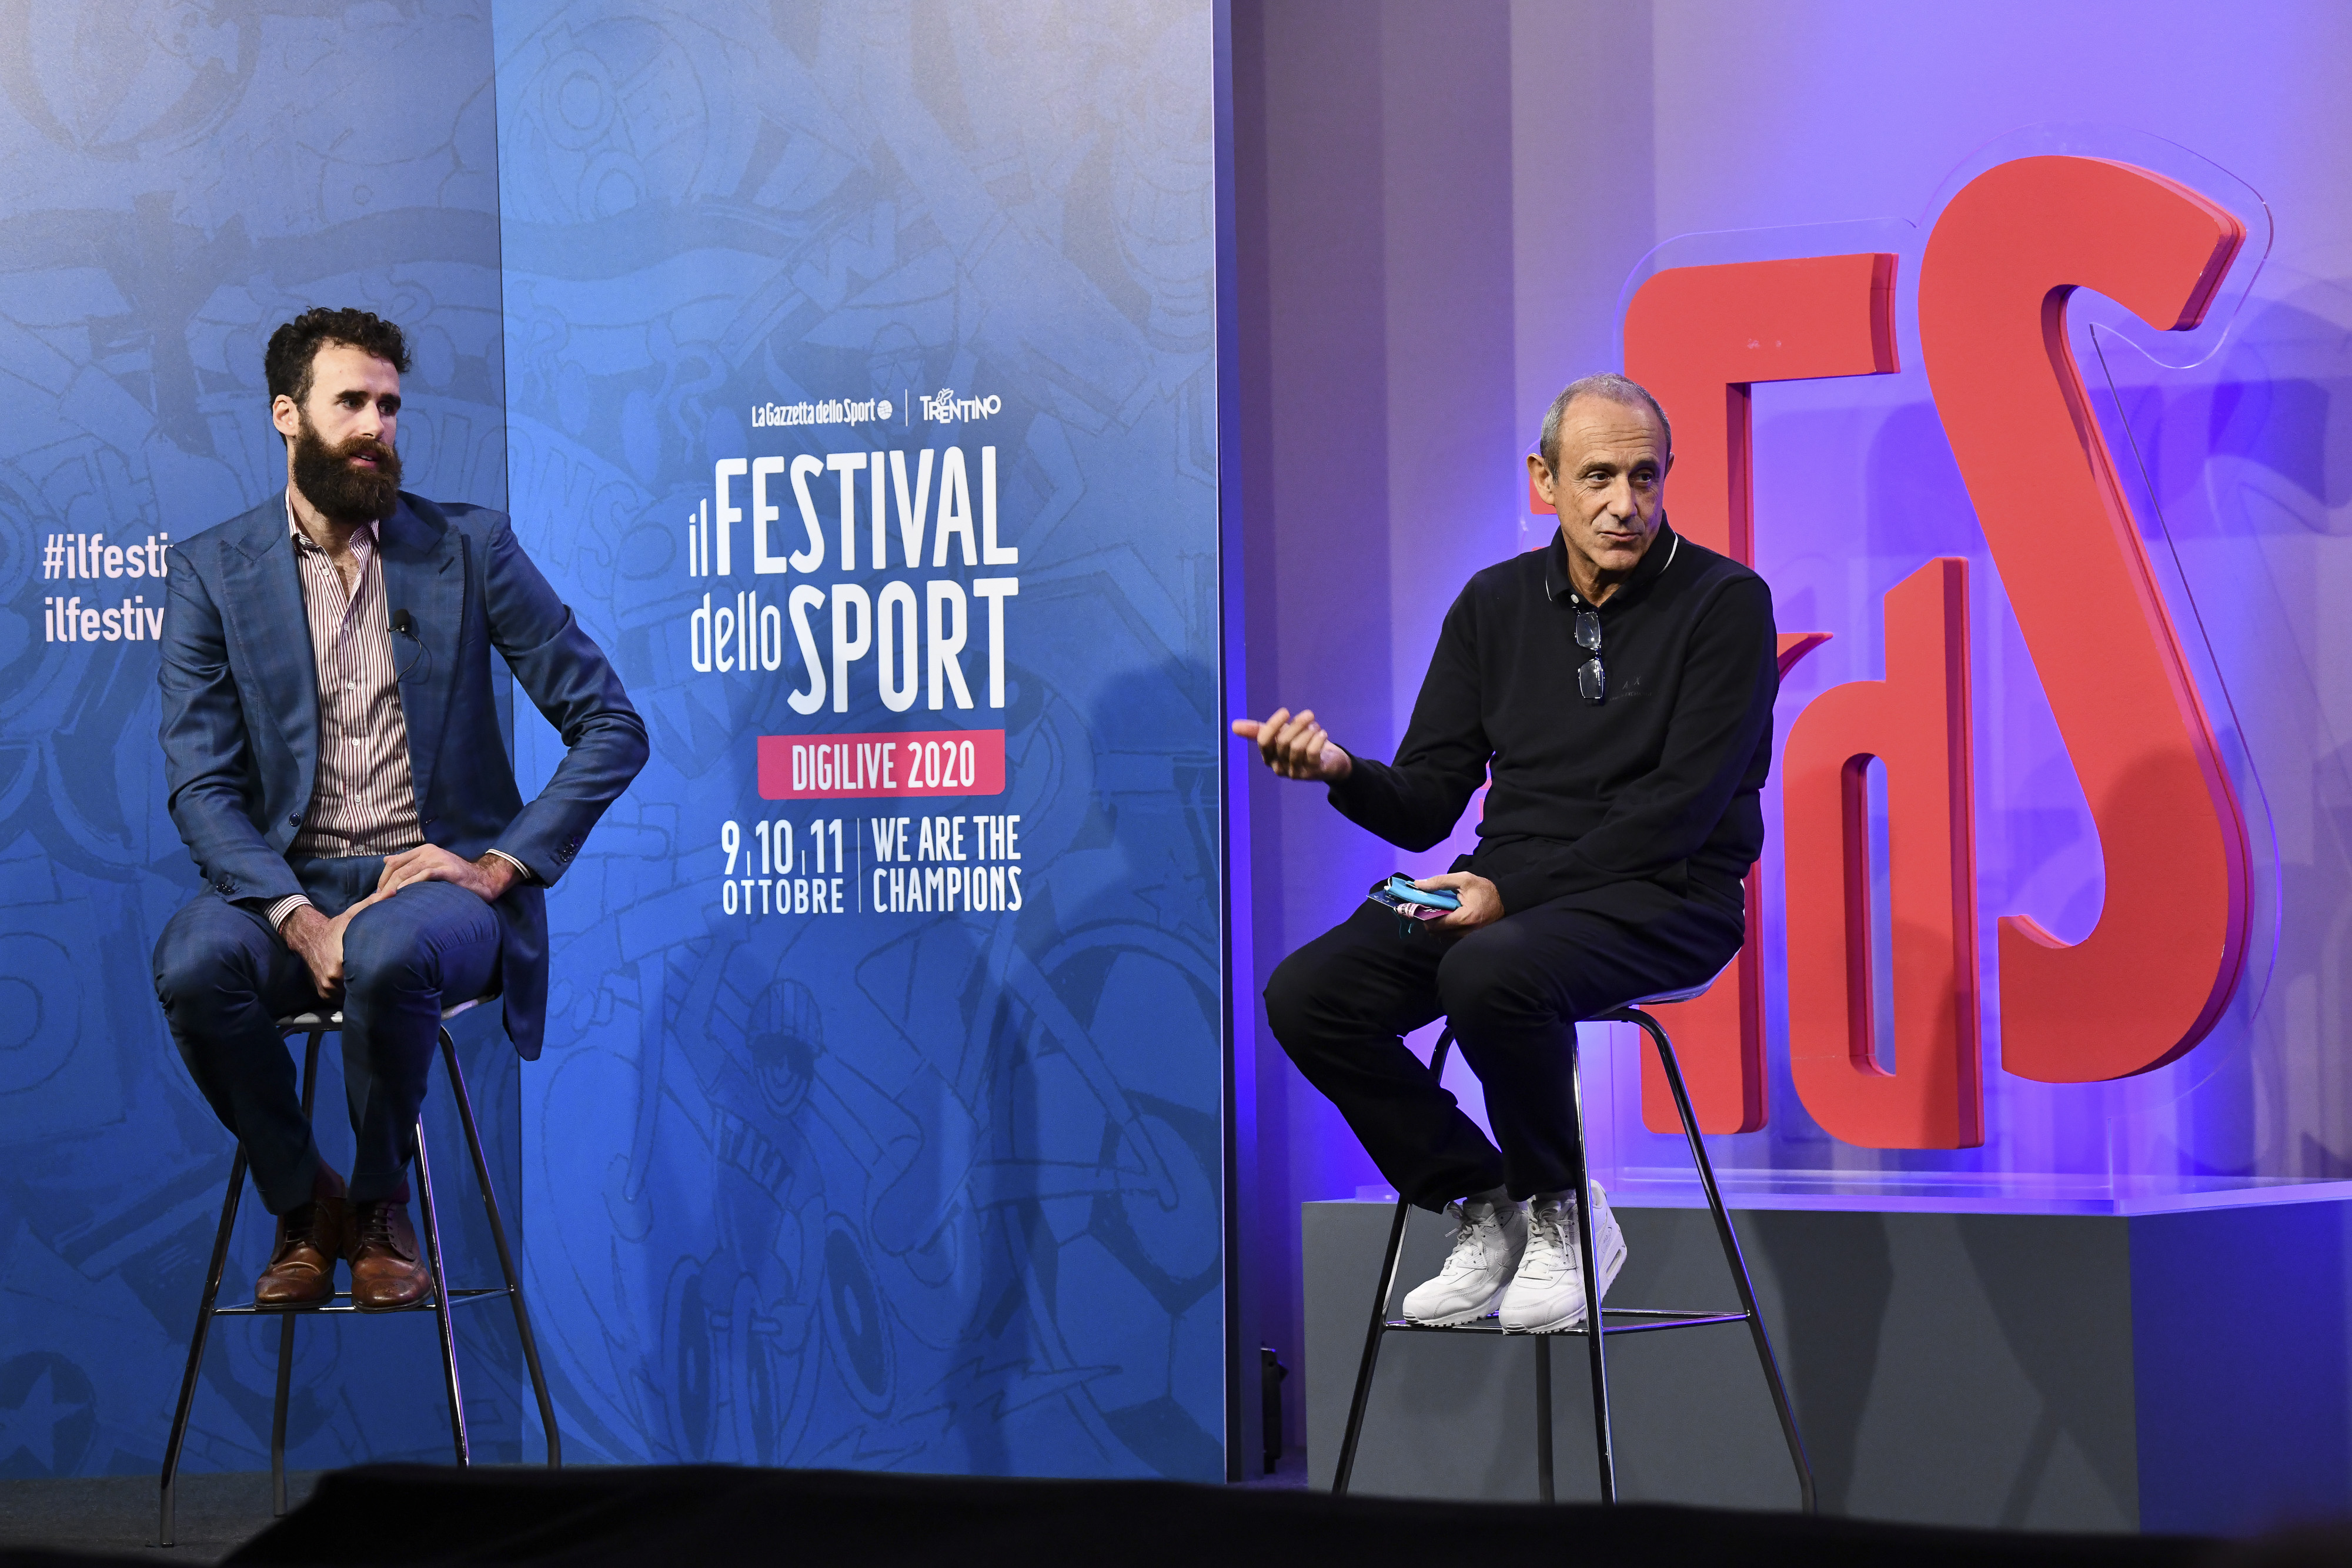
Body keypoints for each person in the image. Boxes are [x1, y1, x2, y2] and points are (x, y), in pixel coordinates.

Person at [1237, 373, 1776, 1333]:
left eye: (1645, 477)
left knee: (1489, 969)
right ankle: (1482, 1200)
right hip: (1514, 892)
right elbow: (1426, 803)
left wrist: (1504, 892)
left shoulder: (1725, 602)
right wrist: (1340, 770)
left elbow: (1677, 813)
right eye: (1598, 476)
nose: (1625, 504)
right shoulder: (1493, 605)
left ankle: (1565, 1209)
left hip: (1668, 893)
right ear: (1545, 480)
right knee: (1308, 994)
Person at [151, 307, 648, 1311]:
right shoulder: (213, 571)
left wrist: (497, 866)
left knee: (386, 951)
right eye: (351, 403)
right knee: (195, 965)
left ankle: (382, 1205)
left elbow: (611, 725)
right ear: (287, 416)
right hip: (285, 888)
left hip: (436, 891)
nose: (376, 426)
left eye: (388, 406)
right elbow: (201, 786)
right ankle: (308, 1202)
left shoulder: (470, 547)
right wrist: (297, 917)